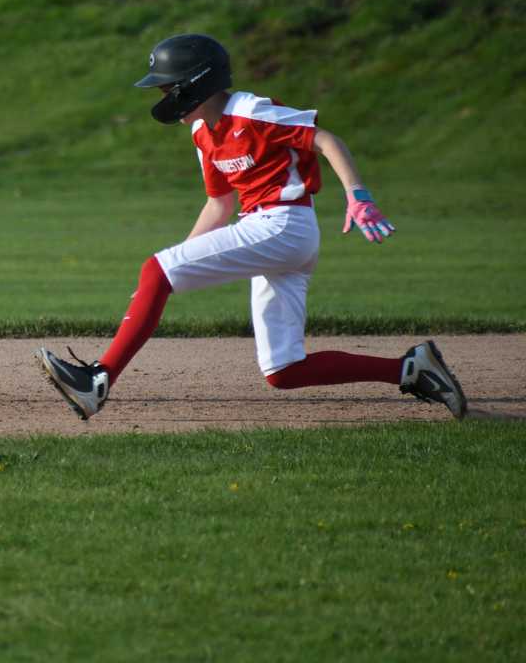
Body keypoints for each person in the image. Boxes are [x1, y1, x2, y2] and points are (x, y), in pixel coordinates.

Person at [36, 33, 466, 421]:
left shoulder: (251, 111)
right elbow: (219, 204)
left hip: (282, 225)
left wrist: (358, 195)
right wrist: (176, 267)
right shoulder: (204, 133)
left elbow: (325, 139)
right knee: (283, 371)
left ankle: (98, 381)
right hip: (275, 234)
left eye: (169, 84)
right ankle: (411, 369)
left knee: (157, 270)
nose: (165, 93)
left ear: (196, 82)